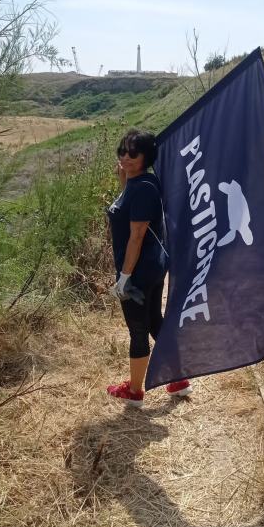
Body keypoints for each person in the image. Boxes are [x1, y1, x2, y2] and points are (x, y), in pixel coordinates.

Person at [106, 128, 192, 407]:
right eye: (122, 150)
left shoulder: (142, 188)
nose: (126, 157)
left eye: (134, 153)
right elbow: (128, 212)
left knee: (138, 330)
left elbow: (137, 235)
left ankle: (134, 391)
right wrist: (124, 182)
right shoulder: (141, 183)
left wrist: (125, 278)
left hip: (139, 273)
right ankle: (178, 379)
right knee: (154, 319)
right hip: (152, 268)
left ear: (146, 157)